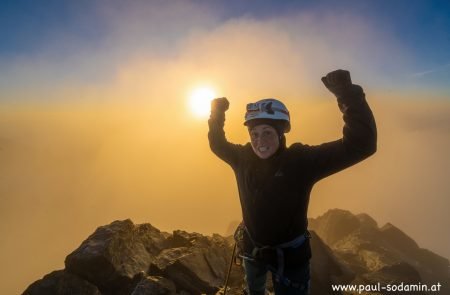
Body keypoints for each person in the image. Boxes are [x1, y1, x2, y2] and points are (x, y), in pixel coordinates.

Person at [208, 70, 377, 295]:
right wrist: (216, 114)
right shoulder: (243, 158)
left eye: (267, 132)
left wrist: (348, 96)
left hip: (289, 259)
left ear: (280, 134)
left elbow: (361, 144)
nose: (260, 142)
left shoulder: (300, 161)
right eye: (254, 134)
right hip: (253, 250)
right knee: (253, 290)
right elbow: (217, 144)